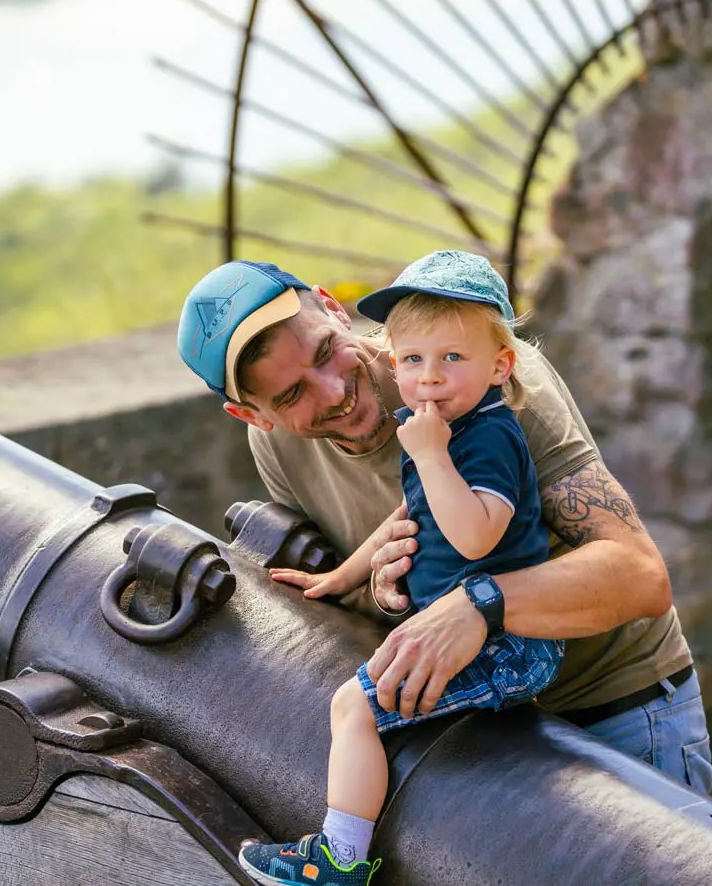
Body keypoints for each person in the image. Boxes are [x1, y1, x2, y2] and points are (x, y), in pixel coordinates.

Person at [175, 250, 712, 796]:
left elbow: (640, 578)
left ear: (335, 311)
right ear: (253, 416)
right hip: (484, 733)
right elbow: (379, 602)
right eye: (291, 394)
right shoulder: (276, 449)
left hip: (615, 708)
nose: (333, 393)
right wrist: (386, 595)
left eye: (326, 352)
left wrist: (482, 603)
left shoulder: (484, 376)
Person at [231, 252, 566, 884]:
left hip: (511, 645)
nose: (430, 377)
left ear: (500, 364)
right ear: (392, 357)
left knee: (354, 706)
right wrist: (341, 579)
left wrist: (433, 454)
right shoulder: (438, 427)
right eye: (413, 360)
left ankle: (338, 862)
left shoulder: (484, 434)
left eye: (452, 359)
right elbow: (405, 517)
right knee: (356, 706)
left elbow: (475, 536)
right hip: (480, 639)